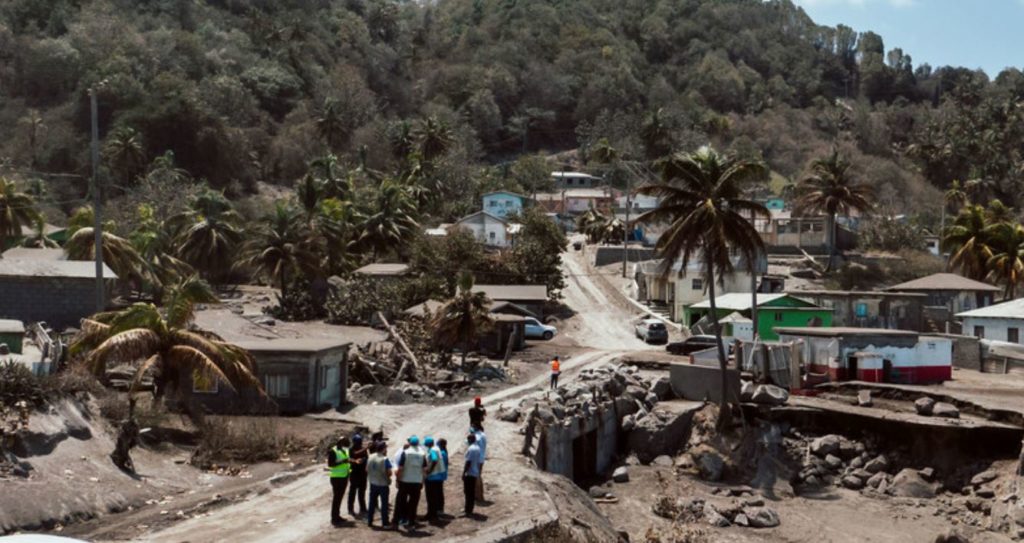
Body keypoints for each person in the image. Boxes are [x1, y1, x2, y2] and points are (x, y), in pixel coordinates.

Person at [394, 435, 427, 528]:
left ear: (410, 443)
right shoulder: (422, 454)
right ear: (417, 443)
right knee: (413, 504)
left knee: (400, 502)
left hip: (405, 481)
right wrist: (422, 481)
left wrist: (397, 479)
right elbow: (424, 469)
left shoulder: (405, 453)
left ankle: (395, 522)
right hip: (416, 482)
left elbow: (400, 468)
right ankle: (411, 522)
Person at [366, 442, 393, 529]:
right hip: (383, 484)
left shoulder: (370, 456)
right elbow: (389, 473)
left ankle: (369, 521)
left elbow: (366, 469)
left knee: (372, 503)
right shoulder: (385, 459)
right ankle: (385, 523)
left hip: (373, 483)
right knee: (384, 504)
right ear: (383, 449)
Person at [327, 436, 352, 525]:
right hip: (336, 478)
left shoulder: (344, 450)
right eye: (346, 443)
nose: (347, 445)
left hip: (344, 477)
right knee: (336, 498)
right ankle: (334, 518)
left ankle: (337, 516)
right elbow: (330, 464)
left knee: (339, 498)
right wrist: (342, 461)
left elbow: (346, 461)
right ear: (341, 442)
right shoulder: (333, 451)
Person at [424, 436, 448, 521]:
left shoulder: (433, 450)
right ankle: (434, 513)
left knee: (430, 497)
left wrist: (429, 470)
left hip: (432, 477)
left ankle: (431, 514)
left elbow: (434, 460)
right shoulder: (437, 449)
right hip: (438, 476)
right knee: (436, 496)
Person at [462, 433, 483, 517]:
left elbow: (468, 462)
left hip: (469, 473)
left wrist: (464, 472)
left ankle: (468, 510)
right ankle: (469, 509)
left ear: (470, 440)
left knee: (468, 492)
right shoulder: (478, 448)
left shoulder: (471, 449)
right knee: (470, 492)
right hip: (474, 472)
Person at [347, 433, 368, 518]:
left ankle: (362, 508)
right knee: (352, 492)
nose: (359, 444)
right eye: (357, 442)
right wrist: (355, 461)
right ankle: (350, 509)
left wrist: (363, 460)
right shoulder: (351, 449)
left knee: (362, 492)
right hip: (354, 473)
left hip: (362, 473)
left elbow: (366, 457)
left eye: (359, 442)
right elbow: (352, 456)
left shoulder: (363, 449)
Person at [472, 425, 487, 501]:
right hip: (481, 458)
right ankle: (479, 494)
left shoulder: (477, 436)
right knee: (478, 476)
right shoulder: (483, 434)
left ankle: (478, 496)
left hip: (477, 459)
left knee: (476, 476)